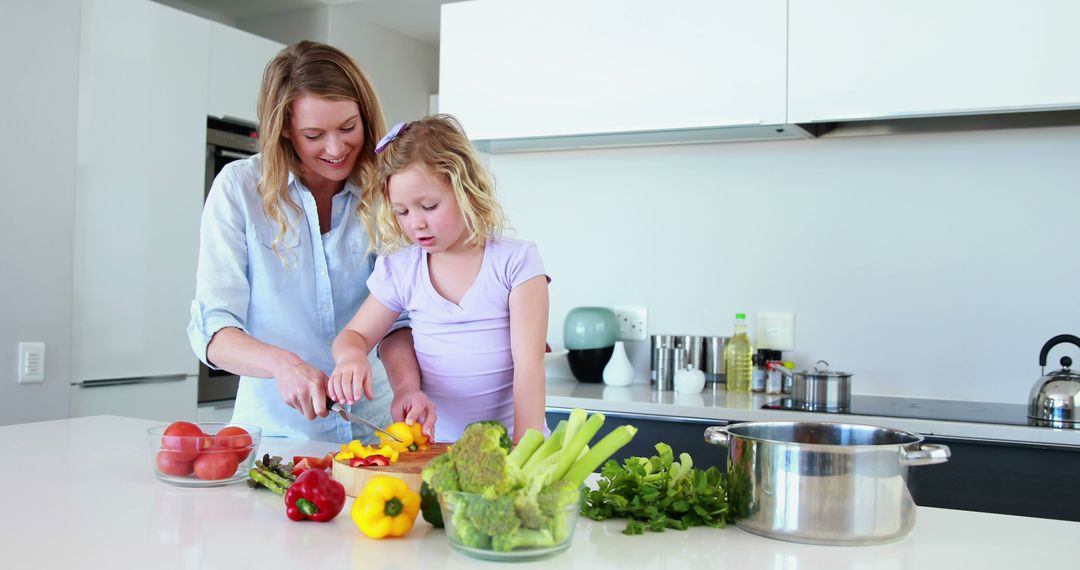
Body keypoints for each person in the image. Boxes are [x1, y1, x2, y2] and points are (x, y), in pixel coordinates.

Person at [187, 40, 422, 442]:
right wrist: (282, 365)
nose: (336, 149)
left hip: (376, 430)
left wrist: (407, 388)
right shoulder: (239, 190)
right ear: (284, 133)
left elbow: (398, 316)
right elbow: (213, 330)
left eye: (348, 127)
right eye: (314, 135)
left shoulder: (386, 190)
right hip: (274, 436)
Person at [328, 115, 550, 443]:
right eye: (402, 211)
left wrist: (524, 451)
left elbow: (530, 368)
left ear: (464, 190)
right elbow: (355, 335)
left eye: (428, 206)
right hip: (438, 451)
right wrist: (350, 356)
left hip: (515, 446)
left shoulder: (516, 262)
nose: (415, 223)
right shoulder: (400, 271)